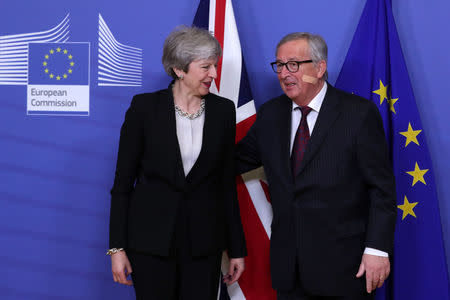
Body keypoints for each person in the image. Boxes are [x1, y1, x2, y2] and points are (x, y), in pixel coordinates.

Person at [236, 32, 396, 300]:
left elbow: (382, 190)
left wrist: (377, 250)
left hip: (344, 269)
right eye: (279, 65)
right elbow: (233, 160)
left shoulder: (358, 114)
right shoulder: (271, 114)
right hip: (289, 271)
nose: (285, 73)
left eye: (294, 64)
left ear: (320, 68)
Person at [108, 26, 246, 300]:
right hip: (151, 244)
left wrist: (236, 248)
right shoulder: (144, 109)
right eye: (206, 67)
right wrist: (117, 248)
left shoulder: (223, 111)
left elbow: (225, 186)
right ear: (179, 69)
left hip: (204, 246)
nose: (214, 75)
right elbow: (123, 184)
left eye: (215, 66)